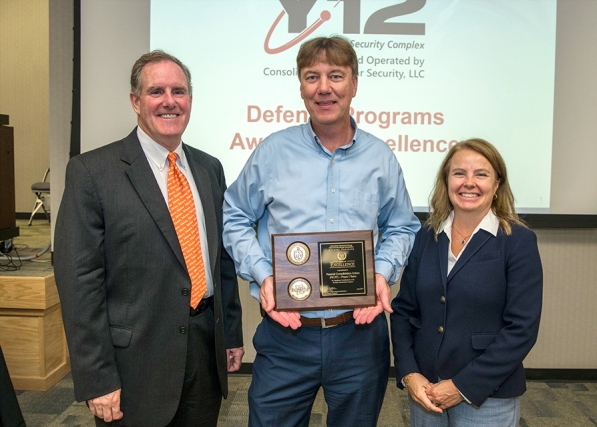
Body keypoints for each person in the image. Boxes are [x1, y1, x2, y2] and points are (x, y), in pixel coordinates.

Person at [222, 36, 421, 427]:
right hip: (287, 334)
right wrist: (263, 276)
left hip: (358, 336)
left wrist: (380, 273)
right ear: (300, 86)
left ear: (354, 84)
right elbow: (234, 216)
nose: (323, 87)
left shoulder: (381, 157)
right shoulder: (272, 152)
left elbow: (401, 226)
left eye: (335, 76)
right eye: (312, 76)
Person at [54, 50, 244, 427]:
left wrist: (230, 334)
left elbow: (221, 261)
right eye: (156, 91)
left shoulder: (209, 168)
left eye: (179, 91)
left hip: (204, 350)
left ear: (190, 99)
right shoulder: (92, 172)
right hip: (133, 366)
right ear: (135, 101)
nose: (169, 101)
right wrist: (97, 378)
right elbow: (79, 285)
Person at [390, 138, 543, 426]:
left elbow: (522, 329)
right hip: (426, 392)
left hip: (487, 395)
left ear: (497, 184)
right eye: (459, 173)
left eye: (481, 174)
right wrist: (410, 374)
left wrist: (461, 386)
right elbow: (403, 312)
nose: (468, 183)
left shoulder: (518, 242)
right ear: (446, 181)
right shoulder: (426, 237)